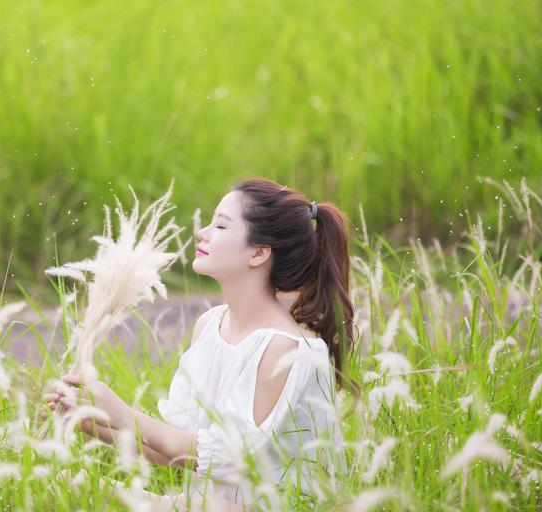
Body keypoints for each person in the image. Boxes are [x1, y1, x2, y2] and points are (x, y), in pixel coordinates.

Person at [42, 177, 357, 510]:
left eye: (220, 226)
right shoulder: (209, 326)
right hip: (208, 504)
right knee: (71, 484)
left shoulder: (286, 348)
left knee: (91, 491)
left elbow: (230, 459)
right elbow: (179, 450)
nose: (202, 233)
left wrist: (122, 412)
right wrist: (95, 421)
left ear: (258, 253)